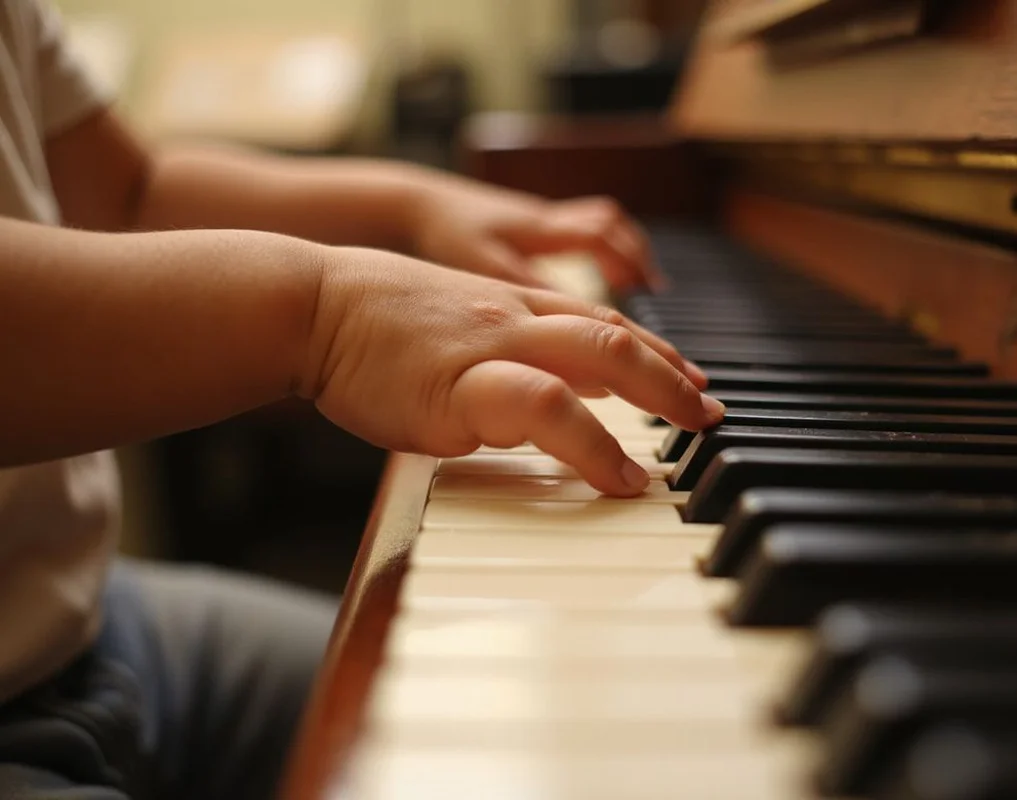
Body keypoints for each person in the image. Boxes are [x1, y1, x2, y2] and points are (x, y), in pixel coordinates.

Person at [0, 1, 726, 797]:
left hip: (86, 620)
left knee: (490, 722)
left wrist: (410, 207)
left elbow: (127, 195)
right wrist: (325, 319)